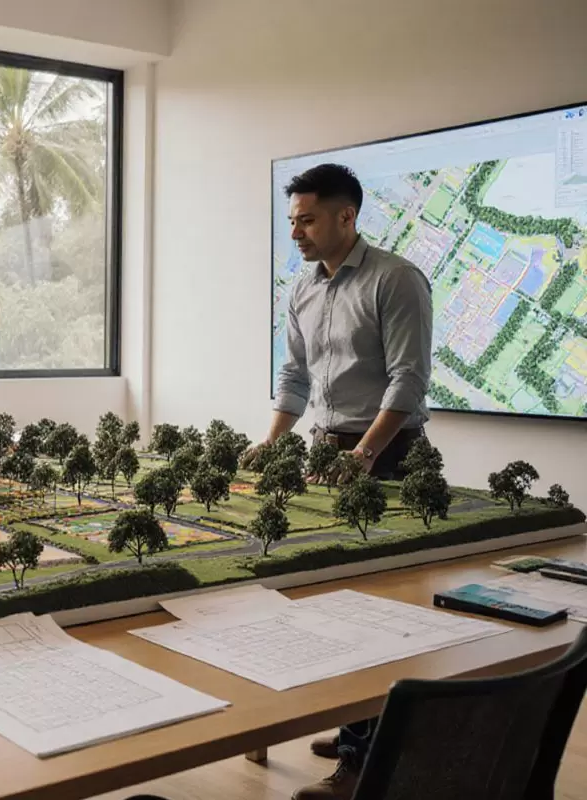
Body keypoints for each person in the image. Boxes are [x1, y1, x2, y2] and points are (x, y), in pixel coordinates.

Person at [251, 163, 433, 800]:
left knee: (379, 608)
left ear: (346, 216)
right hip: (326, 453)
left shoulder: (396, 279)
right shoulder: (302, 288)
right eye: (292, 220)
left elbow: (408, 381)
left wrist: (364, 453)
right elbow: (295, 377)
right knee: (331, 598)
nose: (295, 232)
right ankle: (360, 724)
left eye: (306, 220)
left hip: (389, 455)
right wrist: (272, 441)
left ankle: (363, 761)